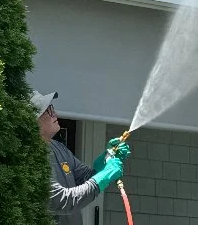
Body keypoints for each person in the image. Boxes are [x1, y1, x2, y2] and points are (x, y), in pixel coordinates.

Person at [31, 90, 131, 225]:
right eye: (47, 110)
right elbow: (62, 200)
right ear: (32, 119)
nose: (54, 113)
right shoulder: (29, 158)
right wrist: (105, 175)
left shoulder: (58, 148)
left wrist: (108, 157)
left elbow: (86, 178)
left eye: (52, 108)